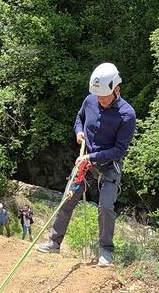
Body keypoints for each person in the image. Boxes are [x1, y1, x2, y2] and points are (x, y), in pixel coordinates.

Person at [36, 63, 136, 267]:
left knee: (106, 206)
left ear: (117, 89)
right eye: (98, 96)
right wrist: (78, 131)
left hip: (108, 165)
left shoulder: (127, 115)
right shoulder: (90, 100)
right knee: (67, 199)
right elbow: (79, 118)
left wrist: (91, 158)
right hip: (85, 162)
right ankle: (54, 242)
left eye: (105, 96)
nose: (100, 100)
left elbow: (119, 150)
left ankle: (106, 251)